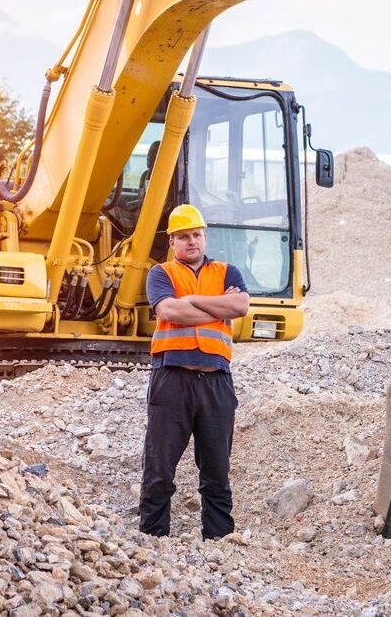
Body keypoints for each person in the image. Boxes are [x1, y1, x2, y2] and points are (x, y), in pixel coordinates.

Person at [139, 204, 250, 540]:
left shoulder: (228, 271)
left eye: (197, 235)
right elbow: (169, 309)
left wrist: (191, 303)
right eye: (184, 236)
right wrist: (217, 305)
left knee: (217, 470)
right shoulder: (161, 274)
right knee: (159, 468)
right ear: (172, 242)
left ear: (205, 237)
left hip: (216, 381)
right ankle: (153, 539)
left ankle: (219, 542)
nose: (192, 241)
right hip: (172, 378)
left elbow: (241, 306)